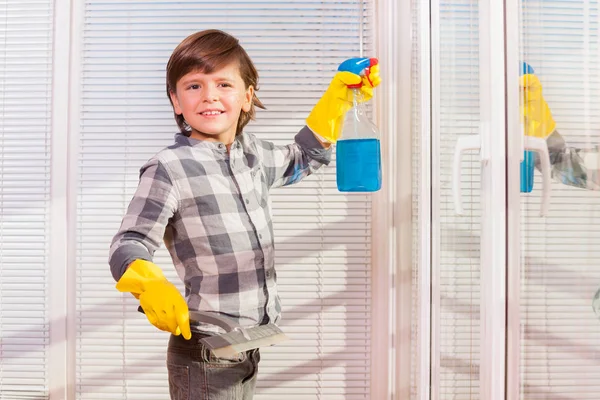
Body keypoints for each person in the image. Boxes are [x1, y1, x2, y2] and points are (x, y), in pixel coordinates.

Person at [108, 29, 381, 400]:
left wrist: (337, 100)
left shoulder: (253, 156)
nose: (210, 96)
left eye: (224, 83)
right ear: (175, 100)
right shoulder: (169, 168)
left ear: (247, 97)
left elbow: (304, 157)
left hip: (248, 342)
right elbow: (130, 241)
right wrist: (148, 281)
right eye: (193, 86)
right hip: (205, 349)